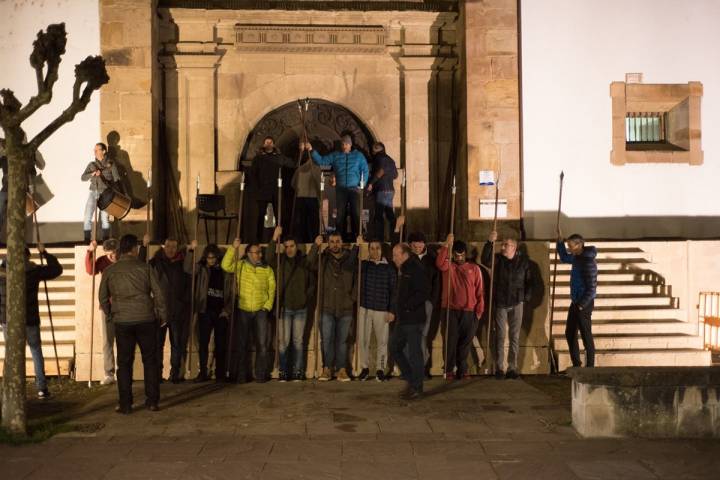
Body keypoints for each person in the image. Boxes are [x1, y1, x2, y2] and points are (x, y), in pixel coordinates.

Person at [99, 234, 166, 414]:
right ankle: (152, 401)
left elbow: (103, 297)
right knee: (150, 361)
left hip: (122, 320)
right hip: (145, 318)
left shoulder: (110, 271)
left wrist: (110, 313)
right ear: (135, 249)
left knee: (125, 363)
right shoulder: (145, 268)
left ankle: (126, 404)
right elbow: (158, 293)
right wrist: (162, 314)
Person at [0, 245, 62, 399]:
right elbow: (56, 270)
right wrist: (44, 253)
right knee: (35, 350)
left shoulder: (2, 272)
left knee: (11, 353)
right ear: (27, 257)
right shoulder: (33, 271)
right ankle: (41, 388)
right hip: (30, 318)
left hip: (8, 319)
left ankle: (11, 388)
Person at [267, 226, 318, 381]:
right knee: (283, 343)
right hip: (284, 308)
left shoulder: (304, 262)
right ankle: (283, 371)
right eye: (286, 246)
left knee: (298, 342)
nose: (289, 249)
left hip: (301, 308)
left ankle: (298, 371)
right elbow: (269, 257)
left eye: (292, 246)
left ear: (297, 246)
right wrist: (274, 237)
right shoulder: (280, 261)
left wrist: (306, 297)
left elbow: (312, 282)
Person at [481, 231, 533, 379]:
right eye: (502, 244)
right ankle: (499, 368)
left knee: (514, 336)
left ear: (514, 247)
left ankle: (512, 367)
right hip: (501, 303)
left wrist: (524, 298)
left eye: (506, 245)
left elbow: (530, 282)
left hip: (517, 303)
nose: (503, 247)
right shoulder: (497, 260)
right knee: (500, 335)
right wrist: (489, 242)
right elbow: (485, 259)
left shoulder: (524, 262)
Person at [222, 239, 275, 383]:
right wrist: (233, 248)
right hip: (243, 309)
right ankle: (241, 374)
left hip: (260, 310)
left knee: (262, 344)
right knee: (242, 344)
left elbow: (272, 289)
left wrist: (267, 307)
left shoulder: (267, 269)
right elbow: (225, 265)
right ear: (249, 254)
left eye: (260, 252)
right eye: (256, 252)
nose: (259, 255)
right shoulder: (240, 266)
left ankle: (261, 374)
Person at [185, 241, 235, 383]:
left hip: (221, 312)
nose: (211, 260)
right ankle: (203, 372)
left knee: (220, 344)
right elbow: (188, 269)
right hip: (204, 310)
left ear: (218, 257)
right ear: (205, 257)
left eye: (213, 258)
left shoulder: (225, 272)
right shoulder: (201, 269)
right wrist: (190, 251)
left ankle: (220, 373)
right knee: (203, 343)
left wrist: (227, 310)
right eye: (208, 257)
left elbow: (231, 292)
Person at [436, 234, 485, 380]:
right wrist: (446, 245)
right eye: (456, 255)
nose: (459, 257)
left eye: (462, 255)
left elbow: (480, 291)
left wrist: (479, 311)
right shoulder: (447, 267)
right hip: (450, 310)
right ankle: (449, 370)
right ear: (453, 254)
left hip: (469, 311)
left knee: (465, 342)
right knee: (450, 341)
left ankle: (463, 370)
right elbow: (439, 263)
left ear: (465, 253)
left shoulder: (474, 269)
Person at [313, 231, 360, 381]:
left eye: (337, 241)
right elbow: (309, 262)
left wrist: (351, 298)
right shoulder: (323, 259)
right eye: (332, 241)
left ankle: (342, 370)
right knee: (326, 340)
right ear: (328, 243)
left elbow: (357, 281)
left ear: (342, 242)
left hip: (345, 307)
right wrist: (316, 245)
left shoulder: (350, 259)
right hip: (326, 306)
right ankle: (326, 369)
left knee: (343, 341)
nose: (335, 244)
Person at [305, 135, 369, 243]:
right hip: (341, 189)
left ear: (350, 145)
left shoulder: (358, 156)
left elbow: (365, 169)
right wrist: (312, 150)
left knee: (356, 213)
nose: (344, 146)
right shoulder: (335, 155)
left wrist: (362, 183)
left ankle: (358, 237)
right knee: (340, 214)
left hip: (355, 189)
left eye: (347, 144)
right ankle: (340, 237)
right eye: (343, 144)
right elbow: (322, 161)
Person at [389, 243, 431, 400]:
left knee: (415, 354)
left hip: (413, 319)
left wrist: (407, 306)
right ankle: (411, 380)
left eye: (395, 255)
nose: (393, 259)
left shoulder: (415, 268)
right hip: (403, 319)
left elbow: (424, 291)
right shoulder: (404, 268)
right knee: (394, 347)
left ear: (404, 255)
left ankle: (417, 387)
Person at [149, 238, 190, 383]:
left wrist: (183, 302)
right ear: (163, 246)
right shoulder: (155, 262)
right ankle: (157, 374)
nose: (171, 249)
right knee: (158, 344)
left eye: (174, 246)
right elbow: (142, 269)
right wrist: (144, 245)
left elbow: (189, 283)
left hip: (178, 311)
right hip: (160, 311)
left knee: (177, 344)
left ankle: (175, 373)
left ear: (178, 248)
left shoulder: (183, 263)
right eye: (168, 246)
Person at [357, 239, 396, 381]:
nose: (374, 251)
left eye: (377, 248)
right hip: (365, 307)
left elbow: (394, 291)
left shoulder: (389, 268)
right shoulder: (364, 265)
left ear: (381, 250)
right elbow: (350, 265)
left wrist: (392, 310)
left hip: (382, 309)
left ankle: (380, 369)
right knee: (363, 340)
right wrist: (357, 245)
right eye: (371, 248)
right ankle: (365, 368)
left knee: (382, 341)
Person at [557, 233, 597, 368]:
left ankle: (590, 367)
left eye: (571, 246)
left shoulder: (588, 262)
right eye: (568, 246)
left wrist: (581, 305)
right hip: (575, 302)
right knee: (570, 333)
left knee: (586, 335)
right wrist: (560, 242)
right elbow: (563, 257)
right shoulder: (577, 258)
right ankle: (576, 364)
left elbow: (592, 288)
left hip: (583, 304)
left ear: (579, 244)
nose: (569, 249)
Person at [248, 136, 294, 243]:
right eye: (266, 142)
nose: (268, 144)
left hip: (276, 191)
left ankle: (280, 239)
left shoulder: (279, 157)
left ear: (273, 144)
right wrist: (257, 189)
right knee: (260, 216)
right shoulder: (258, 158)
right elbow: (253, 175)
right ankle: (258, 240)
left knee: (279, 216)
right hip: (262, 191)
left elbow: (292, 164)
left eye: (270, 142)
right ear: (264, 145)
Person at [86, 237, 119, 385]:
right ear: (105, 252)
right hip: (106, 306)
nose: (113, 256)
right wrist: (89, 252)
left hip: (124, 305)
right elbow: (90, 270)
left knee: (124, 340)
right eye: (109, 253)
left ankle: (123, 371)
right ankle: (109, 372)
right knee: (107, 341)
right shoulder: (102, 261)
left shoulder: (124, 261)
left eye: (115, 252)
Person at [408, 231, 440, 378]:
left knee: (422, 335)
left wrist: (432, 301)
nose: (417, 246)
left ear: (424, 243)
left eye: (419, 243)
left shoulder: (432, 259)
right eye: (414, 244)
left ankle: (421, 368)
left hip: (426, 302)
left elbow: (437, 282)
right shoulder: (407, 258)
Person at [80, 142, 120, 242]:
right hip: (93, 192)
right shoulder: (92, 164)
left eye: (97, 150)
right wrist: (92, 173)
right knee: (87, 216)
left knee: (105, 219)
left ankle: (105, 242)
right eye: (94, 150)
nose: (94, 151)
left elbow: (116, 179)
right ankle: (86, 241)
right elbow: (83, 178)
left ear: (103, 151)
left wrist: (116, 194)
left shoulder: (111, 164)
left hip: (105, 194)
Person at [367, 142, 398, 242]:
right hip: (390, 190)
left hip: (381, 190)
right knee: (390, 215)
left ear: (376, 149)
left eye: (373, 149)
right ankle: (395, 238)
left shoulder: (379, 158)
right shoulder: (390, 160)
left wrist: (371, 183)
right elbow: (395, 175)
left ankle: (380, 239)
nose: (372, 152)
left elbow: (380, 172)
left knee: (379, 216)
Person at [291, 152, 322, 244]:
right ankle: (314, 240)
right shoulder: (317, 169)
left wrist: (299, 189)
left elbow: (293, 183)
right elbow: (320, 185)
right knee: (314, 222)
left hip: (300, 197)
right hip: (312, 197)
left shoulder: (299, 169)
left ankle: (301, 240)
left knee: (301, 221)